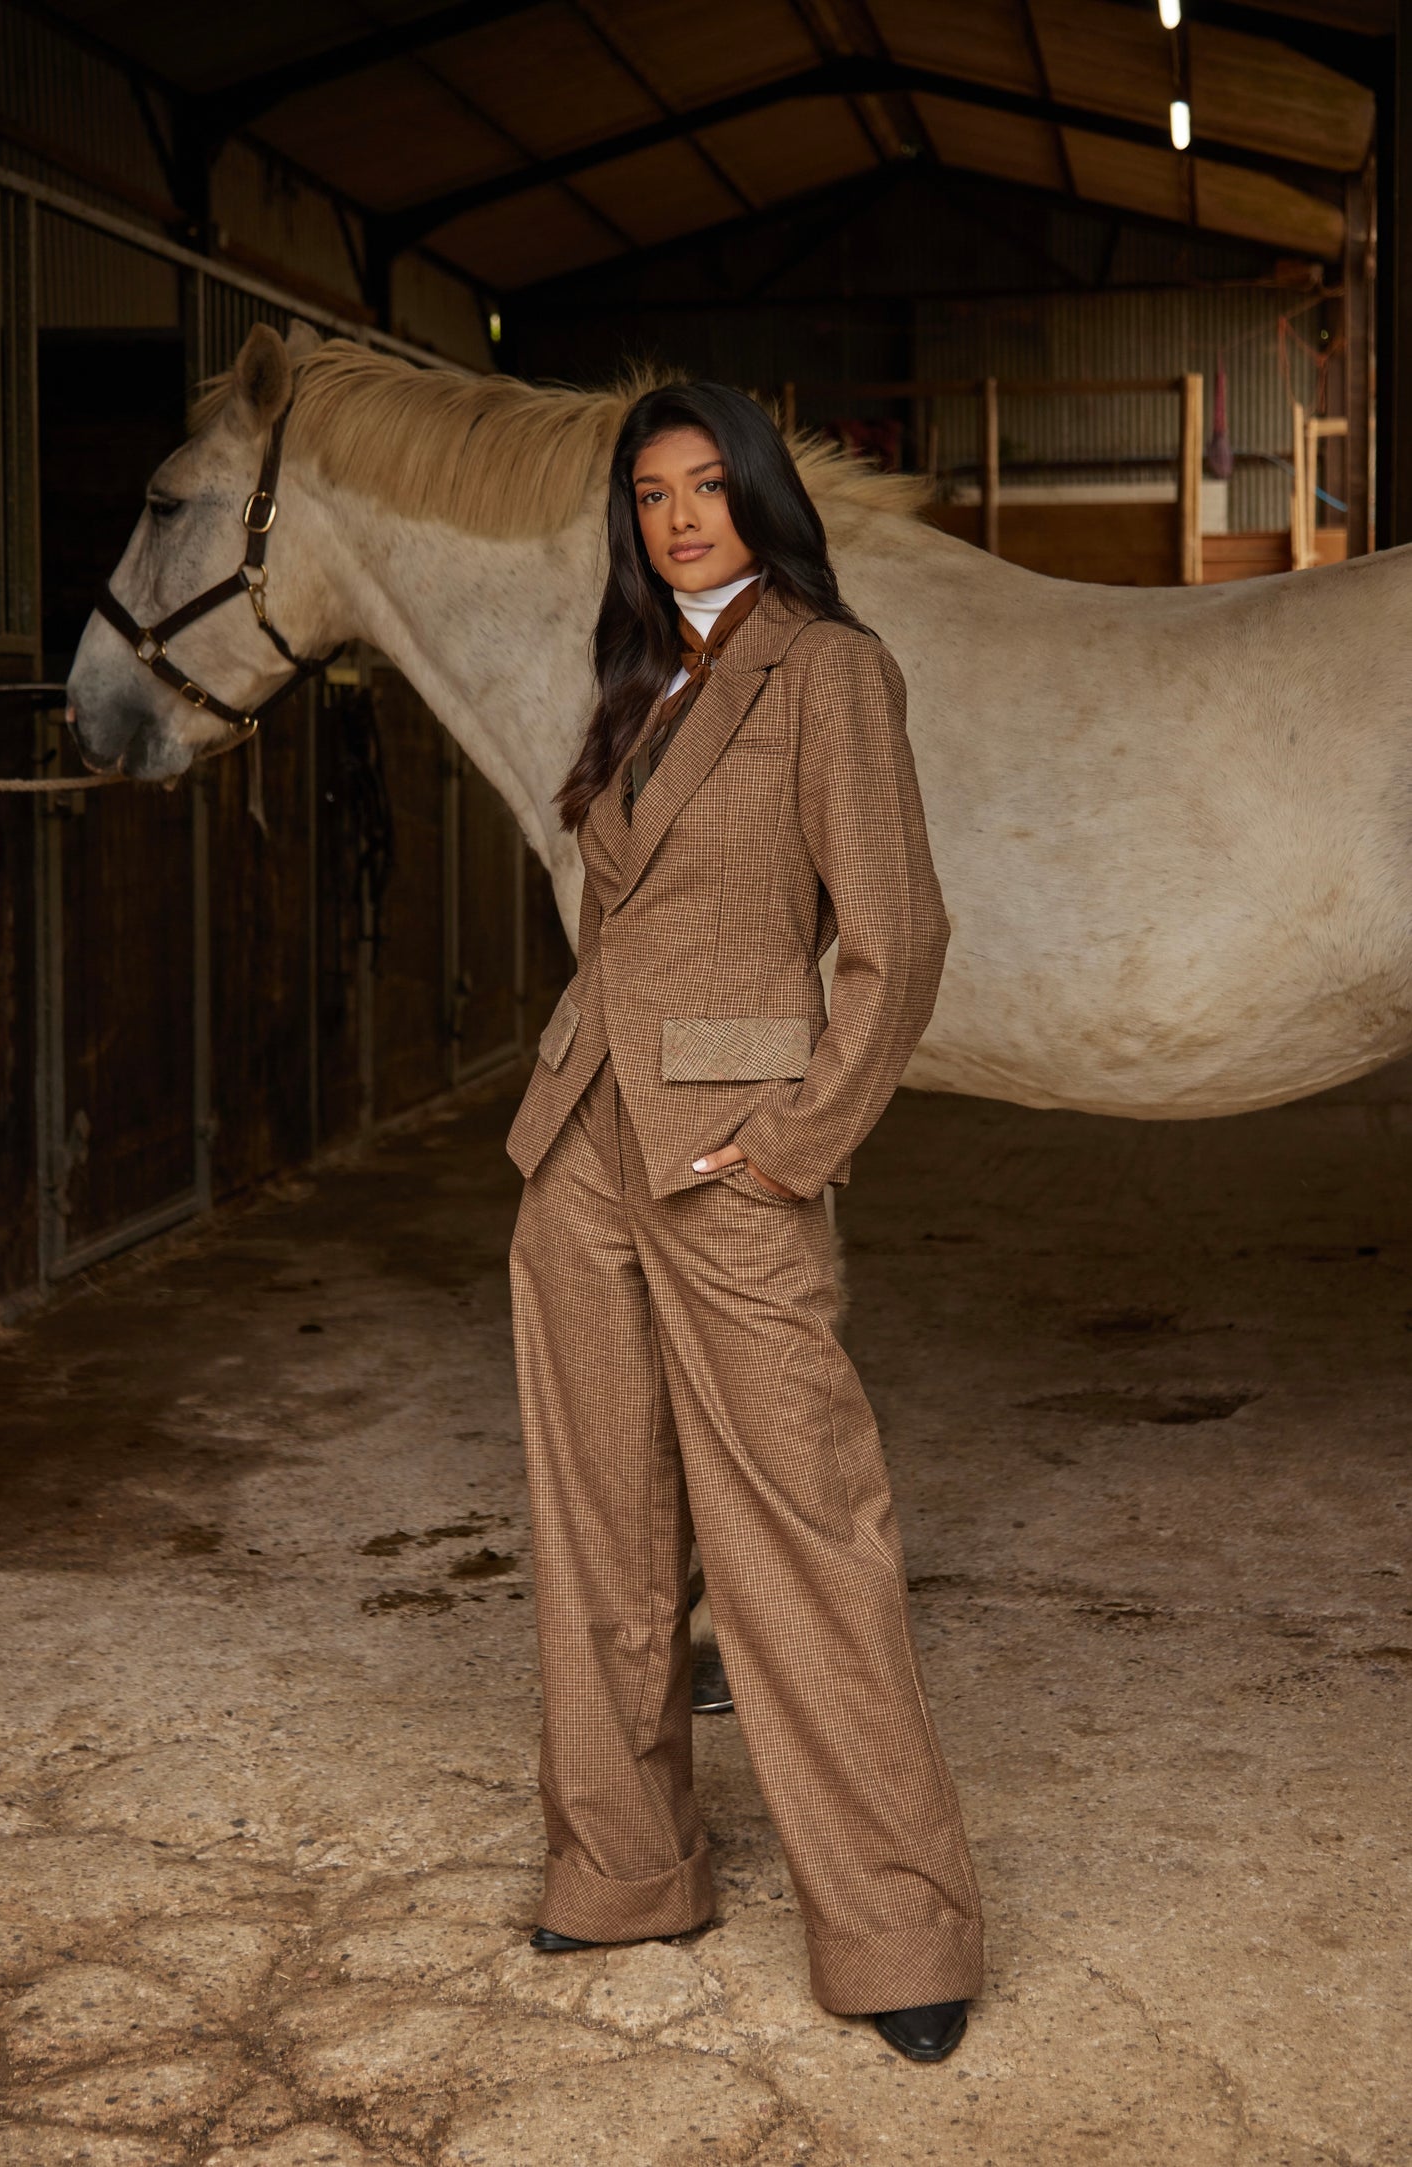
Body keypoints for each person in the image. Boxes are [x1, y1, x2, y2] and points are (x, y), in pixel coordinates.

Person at [504, 381, 983, 2063]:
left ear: (760, 500)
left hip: (730, 1159)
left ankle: (899, 1930)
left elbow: (898, 938)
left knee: (801, 1532)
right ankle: (624, 1870)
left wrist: (796, 1144)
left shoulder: (828, 670)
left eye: (708, 487)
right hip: (579, 1154)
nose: (679, 516)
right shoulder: (628, 679)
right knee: (602, 1536)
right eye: (650, 494)